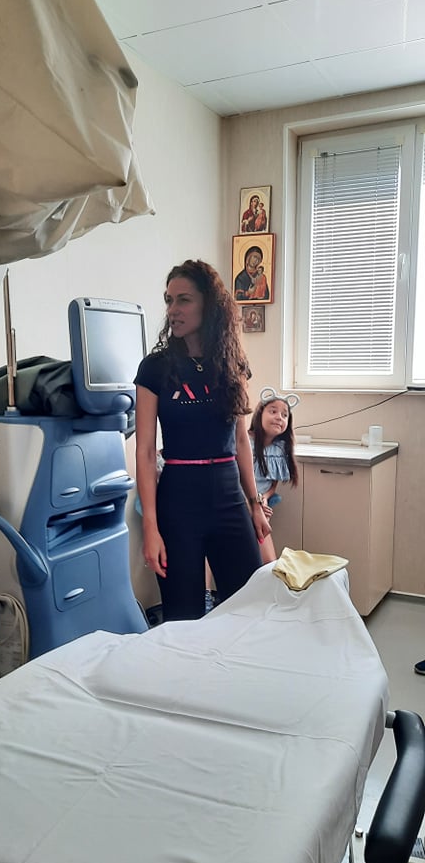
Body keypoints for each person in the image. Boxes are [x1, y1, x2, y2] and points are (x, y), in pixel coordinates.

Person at [135, 258, 271, 621]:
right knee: (183, 616)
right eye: (169, 300)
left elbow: (240, 440)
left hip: (228, 497)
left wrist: (254, 504)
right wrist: (150, 526)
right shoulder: (155, 368)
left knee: (246, 608)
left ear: (208, 305)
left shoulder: (232, 364)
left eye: (184, 300)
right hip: (178, 501)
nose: (172, 310)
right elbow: (145, 451)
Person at [248, 387, 300, 565]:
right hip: (240, 500)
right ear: (260, 414)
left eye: (285, 415)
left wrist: (264, 499)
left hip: (260, 502)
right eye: (273, 411)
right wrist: (254, 504)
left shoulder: (280, 448)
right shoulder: (245, 441)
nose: (279, 417)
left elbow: (272, 483)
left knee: (269, 561)